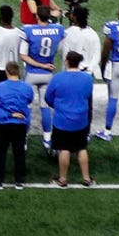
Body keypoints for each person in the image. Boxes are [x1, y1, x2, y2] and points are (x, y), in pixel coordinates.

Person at [46, 51, 96, 187]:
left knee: (64, 148)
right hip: (81, 119)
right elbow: (87, 96)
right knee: (81, 148)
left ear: (66, 61)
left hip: (62, 119)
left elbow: (48, 98)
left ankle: (62, 179)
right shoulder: (87, 79)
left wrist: (58, 106)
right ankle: (86, 178)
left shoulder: (58, 78)